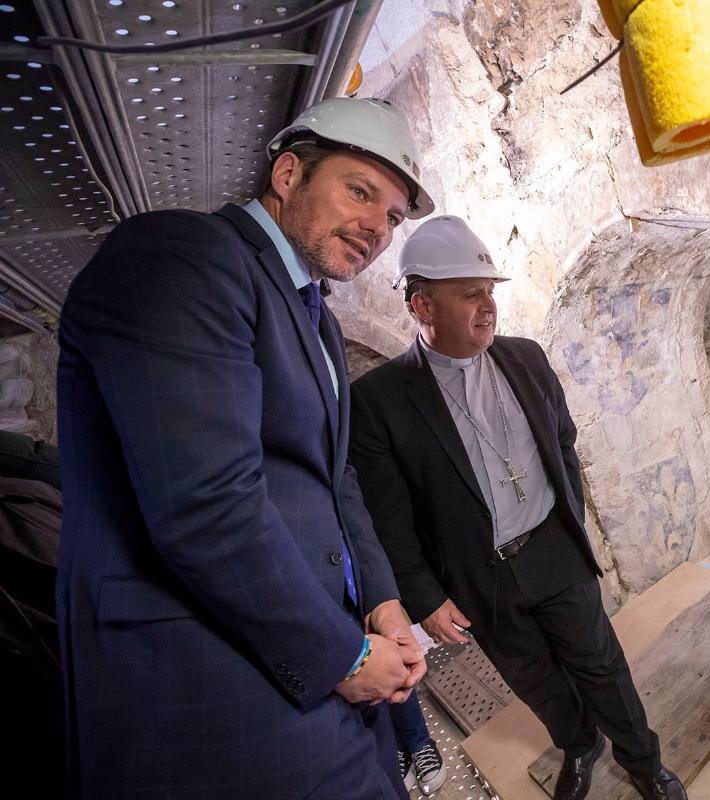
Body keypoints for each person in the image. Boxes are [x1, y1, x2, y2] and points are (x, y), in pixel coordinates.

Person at [56, 97, 435, 799]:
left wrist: (382, 602)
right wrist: (345, 656)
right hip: (214, 677)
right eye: (359, 191)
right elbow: (204, 504)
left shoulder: (314, 318)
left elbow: (332, 477)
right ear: (288, 174)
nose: (376, 229)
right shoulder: (181, 254)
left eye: (391, 216)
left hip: (307, 656)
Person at [349, 216, 687, 800]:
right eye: (470, 294)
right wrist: (425, 597)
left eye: (490, 291)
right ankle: (581, 745)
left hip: (552, 549)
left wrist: (569, 522)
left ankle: (644, 761)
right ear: (422, 306)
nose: (487, 306)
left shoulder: (526, 358)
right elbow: (388, 518)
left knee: (600, 665)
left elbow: (562, 442)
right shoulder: (379, 401)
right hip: (480, 579)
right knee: (534, 680)